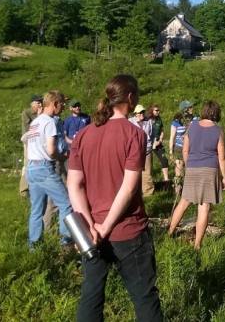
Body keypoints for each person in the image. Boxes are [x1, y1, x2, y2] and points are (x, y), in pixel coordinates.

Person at [67, 75, 163, 321]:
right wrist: (106, 226)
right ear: (131, 99)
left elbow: (74, 184)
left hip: (92, 235)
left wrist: (90, 227)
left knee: (91, 295)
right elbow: (129, 188)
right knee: (144, 297)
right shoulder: (135, 134)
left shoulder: (84, 135)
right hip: (128, 231)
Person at [168, 101, 225, 249]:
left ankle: (169, 232)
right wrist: (224, 176)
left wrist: (189, 165)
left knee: (184, 203)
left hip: (192, 168)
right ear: (217, 113)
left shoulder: (191, 127)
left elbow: (184, 150)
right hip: (210, 170)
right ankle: (197, 245)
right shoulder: (219, 131)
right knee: (204, 208)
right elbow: (222, 157)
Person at [25, 91, 73, 249]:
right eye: (62, 103)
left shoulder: (35, 122)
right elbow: (51, 150)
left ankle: (34, 248)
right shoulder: (50, 122)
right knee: (66, 203)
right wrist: (62, 156)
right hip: (45, 167)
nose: (64, 106)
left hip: (32, 167)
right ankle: (65, 244)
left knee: (37, 210)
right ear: (54, 103)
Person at [20, 94, 43, 197]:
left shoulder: (43, 113)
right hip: (29, 142)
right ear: (32, 104)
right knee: (27, 165)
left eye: (41, 102)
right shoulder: (26, 113)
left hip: (39, 143)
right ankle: (24, 190)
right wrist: (38, 116)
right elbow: (29, 128)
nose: (40, 104)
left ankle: (37, 188)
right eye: (38, 103)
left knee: (39, 165)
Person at [129, 105, 155, 197]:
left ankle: (148, 193)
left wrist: (150, 145)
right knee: (134, 172)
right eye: (139, 113)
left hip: (147, 149)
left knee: (147, 172)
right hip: (134, 151)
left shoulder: (149, 121)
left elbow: (152, 135)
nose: (142, 114)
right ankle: (135, 192)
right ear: (135, 114)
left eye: (143, 112)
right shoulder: (130, 122)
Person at [169, 101, 196, 186]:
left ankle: (189, 191)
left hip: (191, 148)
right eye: (189, 107)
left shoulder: (194, 119)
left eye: (191, 107)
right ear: (184, 109)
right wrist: (171, 152)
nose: (191, 109)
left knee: (191, 171)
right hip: (179, 148)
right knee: (178, 172)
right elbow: (172, 137)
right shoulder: (176, 122)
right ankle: (177, 192)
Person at [147, 104, 169, 182]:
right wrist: (152, 141)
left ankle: (166, 179)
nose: (158, 112)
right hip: (148, 143)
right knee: (147, 162)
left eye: (158, 110)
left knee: (164, 159)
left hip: (157, 143)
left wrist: (160, 140)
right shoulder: (147, 120)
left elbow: (162, 131)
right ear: (151, 111)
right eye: (156, 110)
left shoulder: (159, 120)